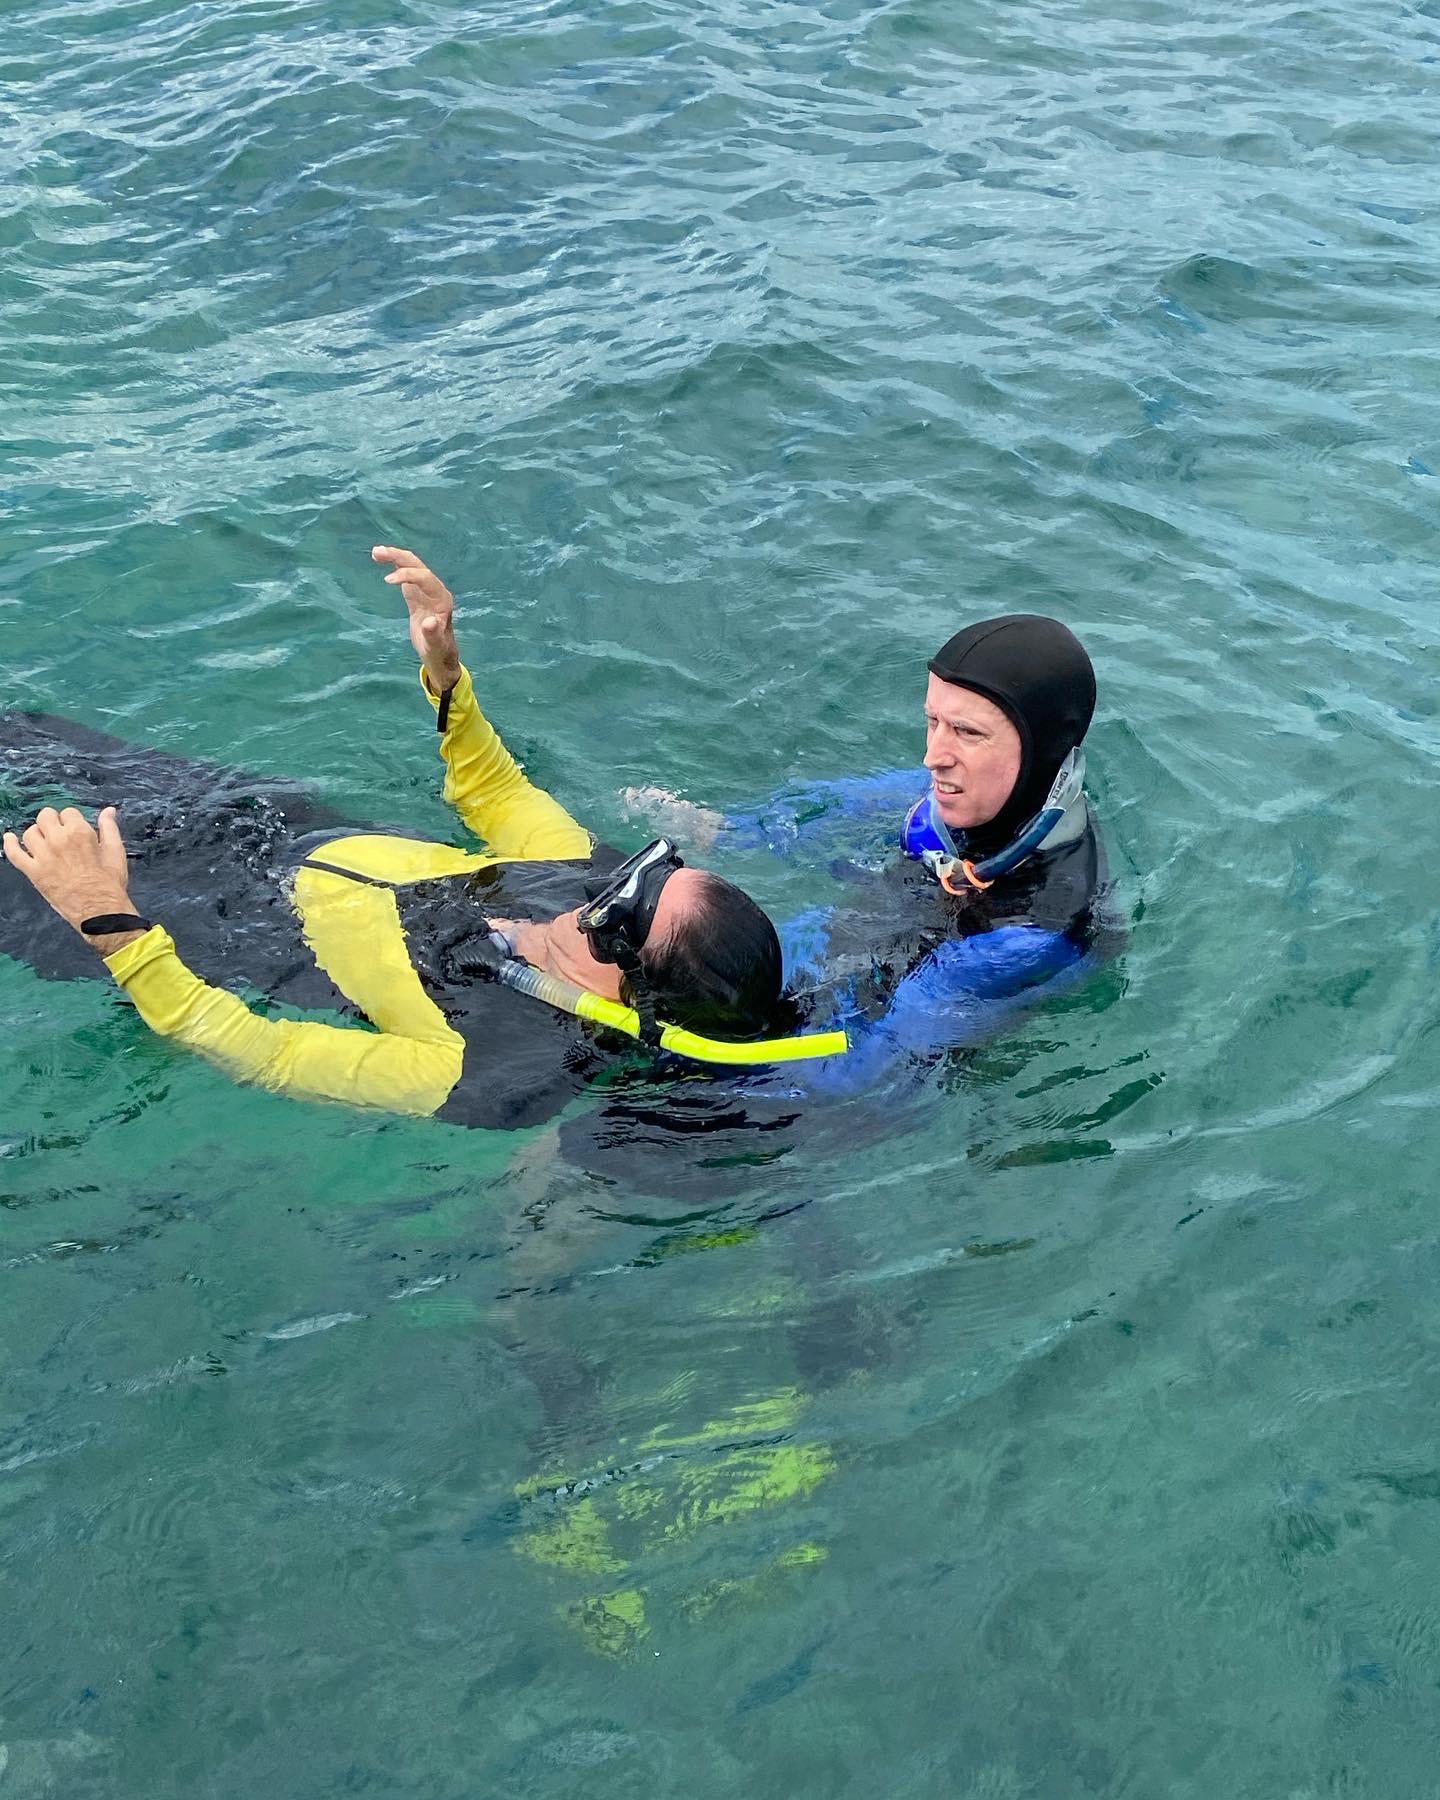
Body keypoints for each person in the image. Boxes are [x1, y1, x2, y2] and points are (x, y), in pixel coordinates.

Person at [0, 548, 834, 1131]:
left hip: (193, 927)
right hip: (267, 825)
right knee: (28, 734)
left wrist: (101, 915)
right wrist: (444, 666)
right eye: (649, 873)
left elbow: (256, 1048)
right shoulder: (578, 875)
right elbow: (495, 788)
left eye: (623, 913)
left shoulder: (486, 1073)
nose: (602, 891)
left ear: (625, 992)